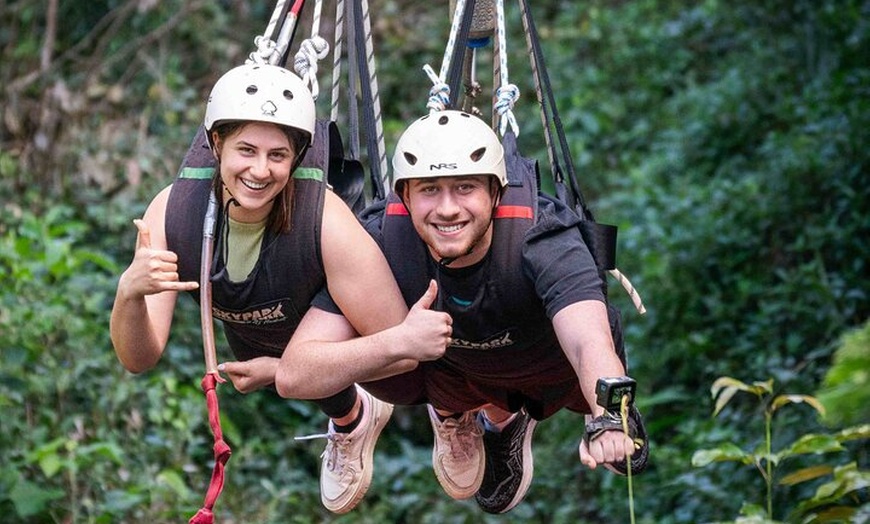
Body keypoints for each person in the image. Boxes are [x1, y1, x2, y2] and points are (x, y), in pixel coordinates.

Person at [109, 63, 452, 515]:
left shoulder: (326, 220)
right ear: (216, 145)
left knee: (312, 364)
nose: (260, 170)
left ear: (296, 158)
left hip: (328, 309)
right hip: (255, 322)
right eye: (245, 150)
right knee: (269, 353)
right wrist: (129, 293)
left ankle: (414, 412)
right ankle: (350, 415)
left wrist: (288, 371)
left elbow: (400, 350)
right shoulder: (172, 213)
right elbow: (139, 358)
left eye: (277, 156)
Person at [276, 110, 648, 514]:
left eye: (465, 188)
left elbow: (587, 338)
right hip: (456, 374)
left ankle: (509, 417)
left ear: (495, 193)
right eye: (430, 190)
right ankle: (480, 416)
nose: (448, 208)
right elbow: (295, 374)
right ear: (405, 196)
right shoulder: (382, 240)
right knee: (391, 366)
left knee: (593, 370)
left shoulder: (544, 237)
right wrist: (396, 341)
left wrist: (609, 415)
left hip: (544, 365)